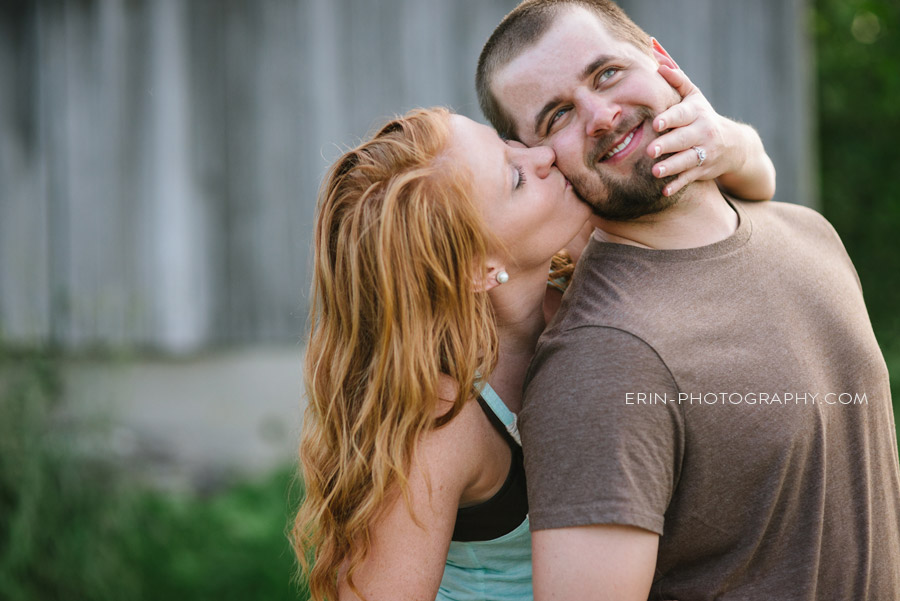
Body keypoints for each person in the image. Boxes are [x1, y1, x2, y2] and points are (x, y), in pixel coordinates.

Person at [475, 1, 900, 600]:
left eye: (607, 74)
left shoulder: (810, 233)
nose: (601, 115)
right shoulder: (600, 360)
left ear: (662, 62)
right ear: (541, 162)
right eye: (557, 116)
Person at [291, 79, 774, 600]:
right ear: (480, 268)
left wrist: (729, 141)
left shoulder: (584, 270)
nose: (543, 154)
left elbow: (755, 191)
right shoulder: (440, 423)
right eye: (516, 178)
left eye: (509, 145)